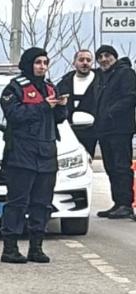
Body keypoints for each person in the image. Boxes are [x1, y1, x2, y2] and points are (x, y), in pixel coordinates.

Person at [0, 47, 69, 264]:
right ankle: (10, 248)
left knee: (42, 203)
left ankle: (36, 247)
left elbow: (58, 119)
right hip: (21, 153)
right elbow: (14, 115)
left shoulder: (50, 88)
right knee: (17, 203)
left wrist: (61, 107)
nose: (42, 67)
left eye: (45, 63)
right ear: (29, 64)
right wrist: (42, 106)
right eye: (38, 62)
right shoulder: (15, 88)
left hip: (47, 153)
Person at [93, 45, 136, 220]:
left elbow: (130, 97)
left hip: (120, 128)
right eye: (100, 56)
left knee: (121, 166)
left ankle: (126, 203)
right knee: (110, 167)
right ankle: (118, 202)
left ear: (114, 57)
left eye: (107, 55)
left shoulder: (125, 74)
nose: (104, 59)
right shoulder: (101, 77)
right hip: (104, 130)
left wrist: (110, 112)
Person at [57, 49, 99, 158]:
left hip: (91, 132)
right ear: (74, 62)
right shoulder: (64, 82)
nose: (85, 62)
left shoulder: (100, 82)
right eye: (81, 60)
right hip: (68, 131)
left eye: (88, 60)